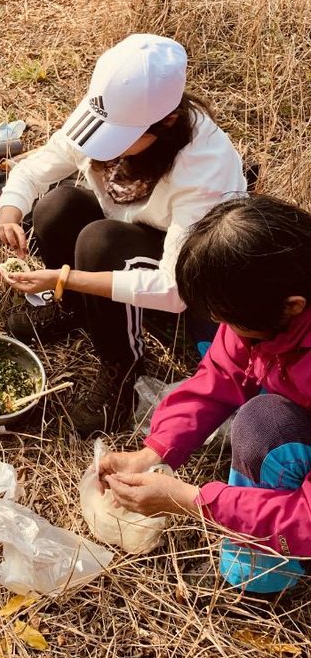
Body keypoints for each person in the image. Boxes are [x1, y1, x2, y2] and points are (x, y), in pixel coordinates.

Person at [0, 33, 246, 437]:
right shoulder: (109, 109)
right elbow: (38, 167)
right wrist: (10, 212)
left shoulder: (204, 167)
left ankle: (121, 365)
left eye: (120, 139)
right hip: (123, 233)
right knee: (56, 207)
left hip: (181, 266)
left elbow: (175, 289)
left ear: (166, 123)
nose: (106, 150)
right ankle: (75, 308)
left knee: (100, 242)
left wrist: (65, 277)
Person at [99, 195, 311, 601]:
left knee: (263, 425)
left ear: (292, 306)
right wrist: (154, 452)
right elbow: (218, 375)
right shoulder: (270, 306)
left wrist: (193, 501)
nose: (220, 324)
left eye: (229, 317)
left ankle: (257, 582)